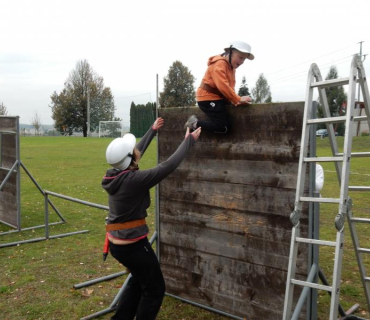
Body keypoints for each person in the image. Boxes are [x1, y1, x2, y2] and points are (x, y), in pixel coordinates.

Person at [102, 117, 201, 320]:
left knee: (139, 280)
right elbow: (167, 166)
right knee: (155, 289)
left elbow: (132, 155)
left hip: (117, 244)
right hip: (133, 246)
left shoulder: (113, 175)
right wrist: (188, 141)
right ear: (128, 160)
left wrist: (152, 130)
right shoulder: (134, 181)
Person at [184, 40, 254, 133]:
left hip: (217, 98)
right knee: (223, 127)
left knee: (226, 126)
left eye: (244, 59)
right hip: (207, 98)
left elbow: (230, 87)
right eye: (240, 57)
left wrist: (235, 101)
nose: (242, 62)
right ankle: (193, 124)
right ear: (231, 52)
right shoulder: (219, 64)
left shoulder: (231, 68)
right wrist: (237, 99)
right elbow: (223, 85)